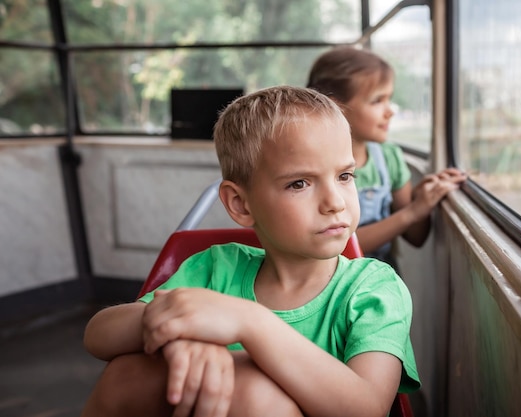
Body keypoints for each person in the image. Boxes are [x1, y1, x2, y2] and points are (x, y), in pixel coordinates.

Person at [80, 86, 420, 417]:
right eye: (299, 183)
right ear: (241, 205)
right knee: (122, 374)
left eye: (345, 176)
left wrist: (249, 323)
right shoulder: (217, 268)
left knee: (256, 395)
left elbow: (367, 408)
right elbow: (99, 335)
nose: (335, 202)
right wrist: (181, 335)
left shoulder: (374, 288)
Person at [307, 46, 466, 268]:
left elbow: (416, 238)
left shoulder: (389, 158)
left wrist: (421, 202)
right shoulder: (309, 162)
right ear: (337, 107)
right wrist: (410, 213)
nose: (390, 111)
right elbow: (336, 247)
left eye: (389, 99)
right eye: (377, 101)